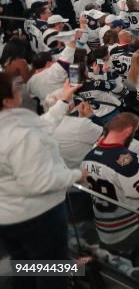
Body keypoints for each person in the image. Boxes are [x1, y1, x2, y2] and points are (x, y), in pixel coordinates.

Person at [0, 73, 84, 289]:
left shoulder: (13, 126)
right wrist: (76, 175)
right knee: (52, 272)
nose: (21, 91)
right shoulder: (18, 134)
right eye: (16, 89)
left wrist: (64, 101)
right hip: (36, 218)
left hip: (8, 215)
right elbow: (39, 183)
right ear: (7, 101)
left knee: (24, 265)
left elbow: (41, 125)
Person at [80, 112, 139, 252]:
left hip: (103, 224)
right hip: (132, 224)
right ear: (129, 131)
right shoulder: (127, 160)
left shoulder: (88, 156)